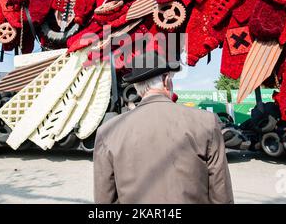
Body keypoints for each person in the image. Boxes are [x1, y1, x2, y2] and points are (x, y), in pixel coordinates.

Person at [93, 52, 234, 204]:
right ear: (166, 80)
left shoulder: (108, 132)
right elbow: (221, 193)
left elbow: (105, 199)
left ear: (137, 88)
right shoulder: (206, 122)